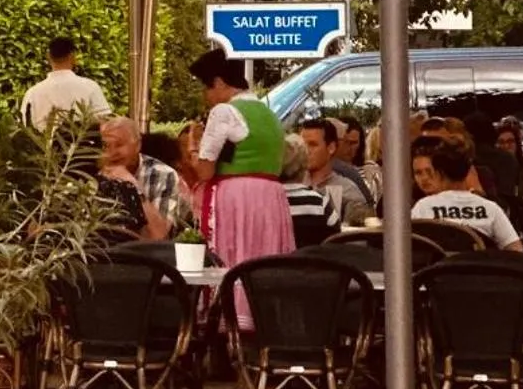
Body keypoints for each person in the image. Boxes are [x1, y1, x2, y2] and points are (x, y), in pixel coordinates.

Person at [180, 50, 293, 279]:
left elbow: (204, 171)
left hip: (237, 199)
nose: (206, 96)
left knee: (236, 258)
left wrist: (193, 147)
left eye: (206, 87)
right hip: (271, 198)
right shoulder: (268, 113)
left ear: (219, 83)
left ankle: (232, 310)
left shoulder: (223, 111)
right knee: (263, 255)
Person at [411, 136, 523, 250]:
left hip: (437, 267)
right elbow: (517, 252)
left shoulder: (423, 207)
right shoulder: (491, 209)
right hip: (480, 267)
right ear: (469, 171)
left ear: (439, 172)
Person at [99, 116, 187, 234]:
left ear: (137, 145)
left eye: (119, 145)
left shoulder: (163, 174)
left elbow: (159, 235)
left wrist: (132, 185)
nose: (112, 152)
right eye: (106, 146)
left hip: (154, 251)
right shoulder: (97, 176)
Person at [21, 36, 112, 131]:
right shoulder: (90, 87)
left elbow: (25, 127)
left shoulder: (33, 93)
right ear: (72, 56)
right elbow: (105, 121)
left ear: (48, 56)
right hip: (83, 143)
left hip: (43, 144)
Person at [300, 117, 370, 226]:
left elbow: (357, 235)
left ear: (331, 148)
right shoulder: (291, 185)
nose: (306, 151)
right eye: (303, 145)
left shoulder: (348, 190)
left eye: (313, 145)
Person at [282, 132, 343, 243]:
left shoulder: (264, 202)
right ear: (304, 164)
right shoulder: (320, 204)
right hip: (313, 259)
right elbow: (336, 241)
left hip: (274, 260)